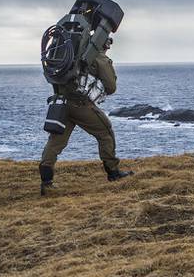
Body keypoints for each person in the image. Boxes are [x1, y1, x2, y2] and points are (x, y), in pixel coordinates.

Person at [40, 37, 133, 194]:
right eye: (107, 43)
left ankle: (46, 183)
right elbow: (111, 87)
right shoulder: (97, 56)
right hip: (80, 104)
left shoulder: (66, 52)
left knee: (55, 141)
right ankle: (113, 173)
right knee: (106, 133)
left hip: (61, 102)